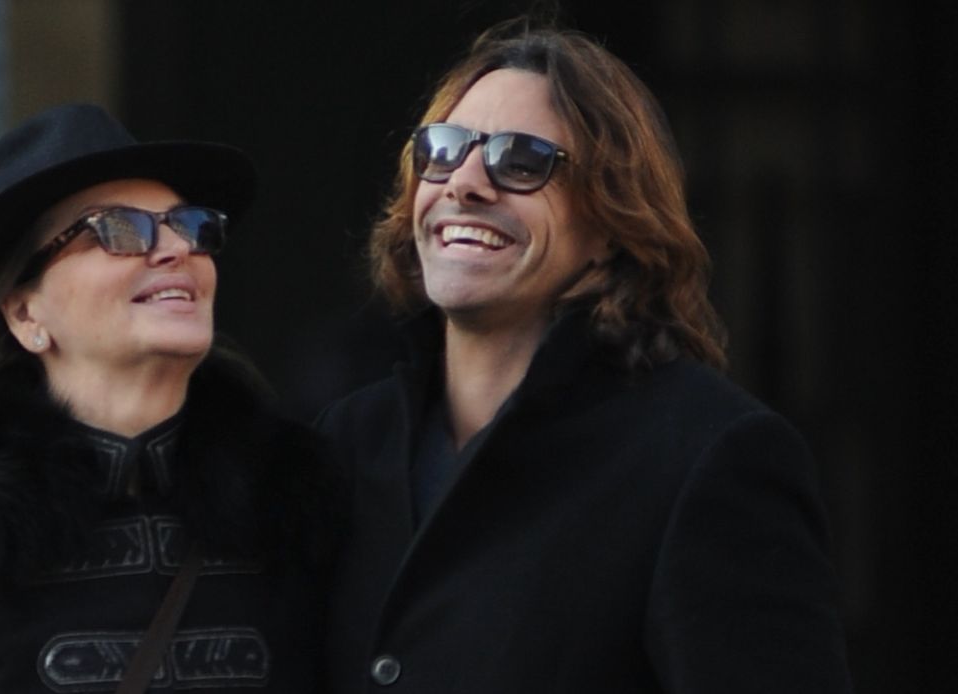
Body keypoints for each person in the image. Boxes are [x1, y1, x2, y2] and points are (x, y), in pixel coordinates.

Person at [317, 20, 852, 694]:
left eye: (522, 160)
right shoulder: (346, 442)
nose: (465, 183)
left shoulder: (707, 456)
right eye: (443, 150)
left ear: (609, 224)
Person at [0, 104, 337, 693]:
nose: (177, 248)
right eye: (118, 229)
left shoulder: (292, 502)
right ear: (26, 315)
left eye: (190, 224)